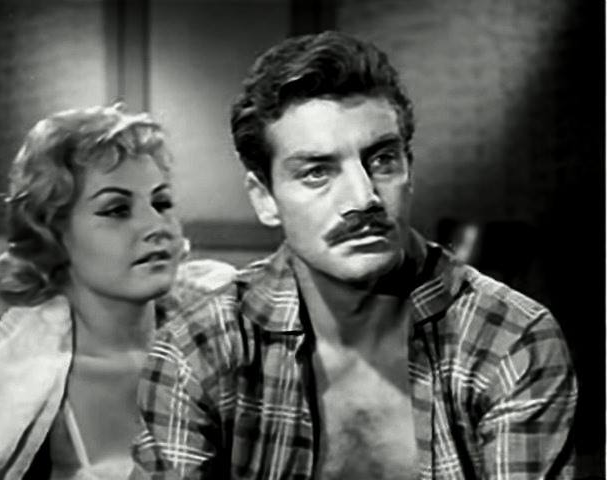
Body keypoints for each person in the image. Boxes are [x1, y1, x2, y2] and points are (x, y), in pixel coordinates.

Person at [133, 32, 577, 479]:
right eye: (317, 172)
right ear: (264, 198)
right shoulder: (199, 348)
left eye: (382, 160)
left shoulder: (509, 338)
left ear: (409, 170)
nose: (364, 198)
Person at [0, 104, 234, 479]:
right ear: (52, 231)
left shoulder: (224, 345)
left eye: (161, 203)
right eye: (116, 210)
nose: (156, 225)